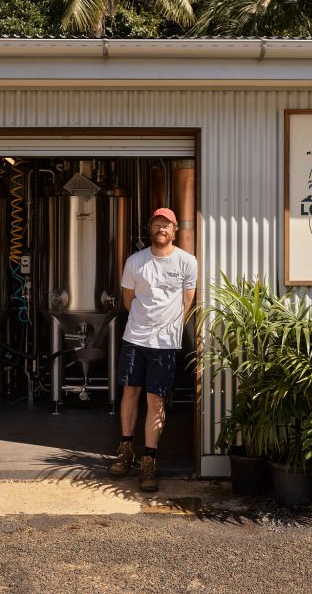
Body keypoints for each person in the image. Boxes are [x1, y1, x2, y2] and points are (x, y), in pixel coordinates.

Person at [109, 207, 197, 491]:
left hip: (165, 344)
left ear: (175, 230)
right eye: (157, 224)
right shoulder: (136, 261)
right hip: (135, 338)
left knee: (156, 400)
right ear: (150, 228)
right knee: (130, 392)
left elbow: (187, 302)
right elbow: (128, 300)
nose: (161, 228)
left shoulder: (187, 262)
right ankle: (126, 449)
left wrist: (169, 328)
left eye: (166, 225)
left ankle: (149, 459)